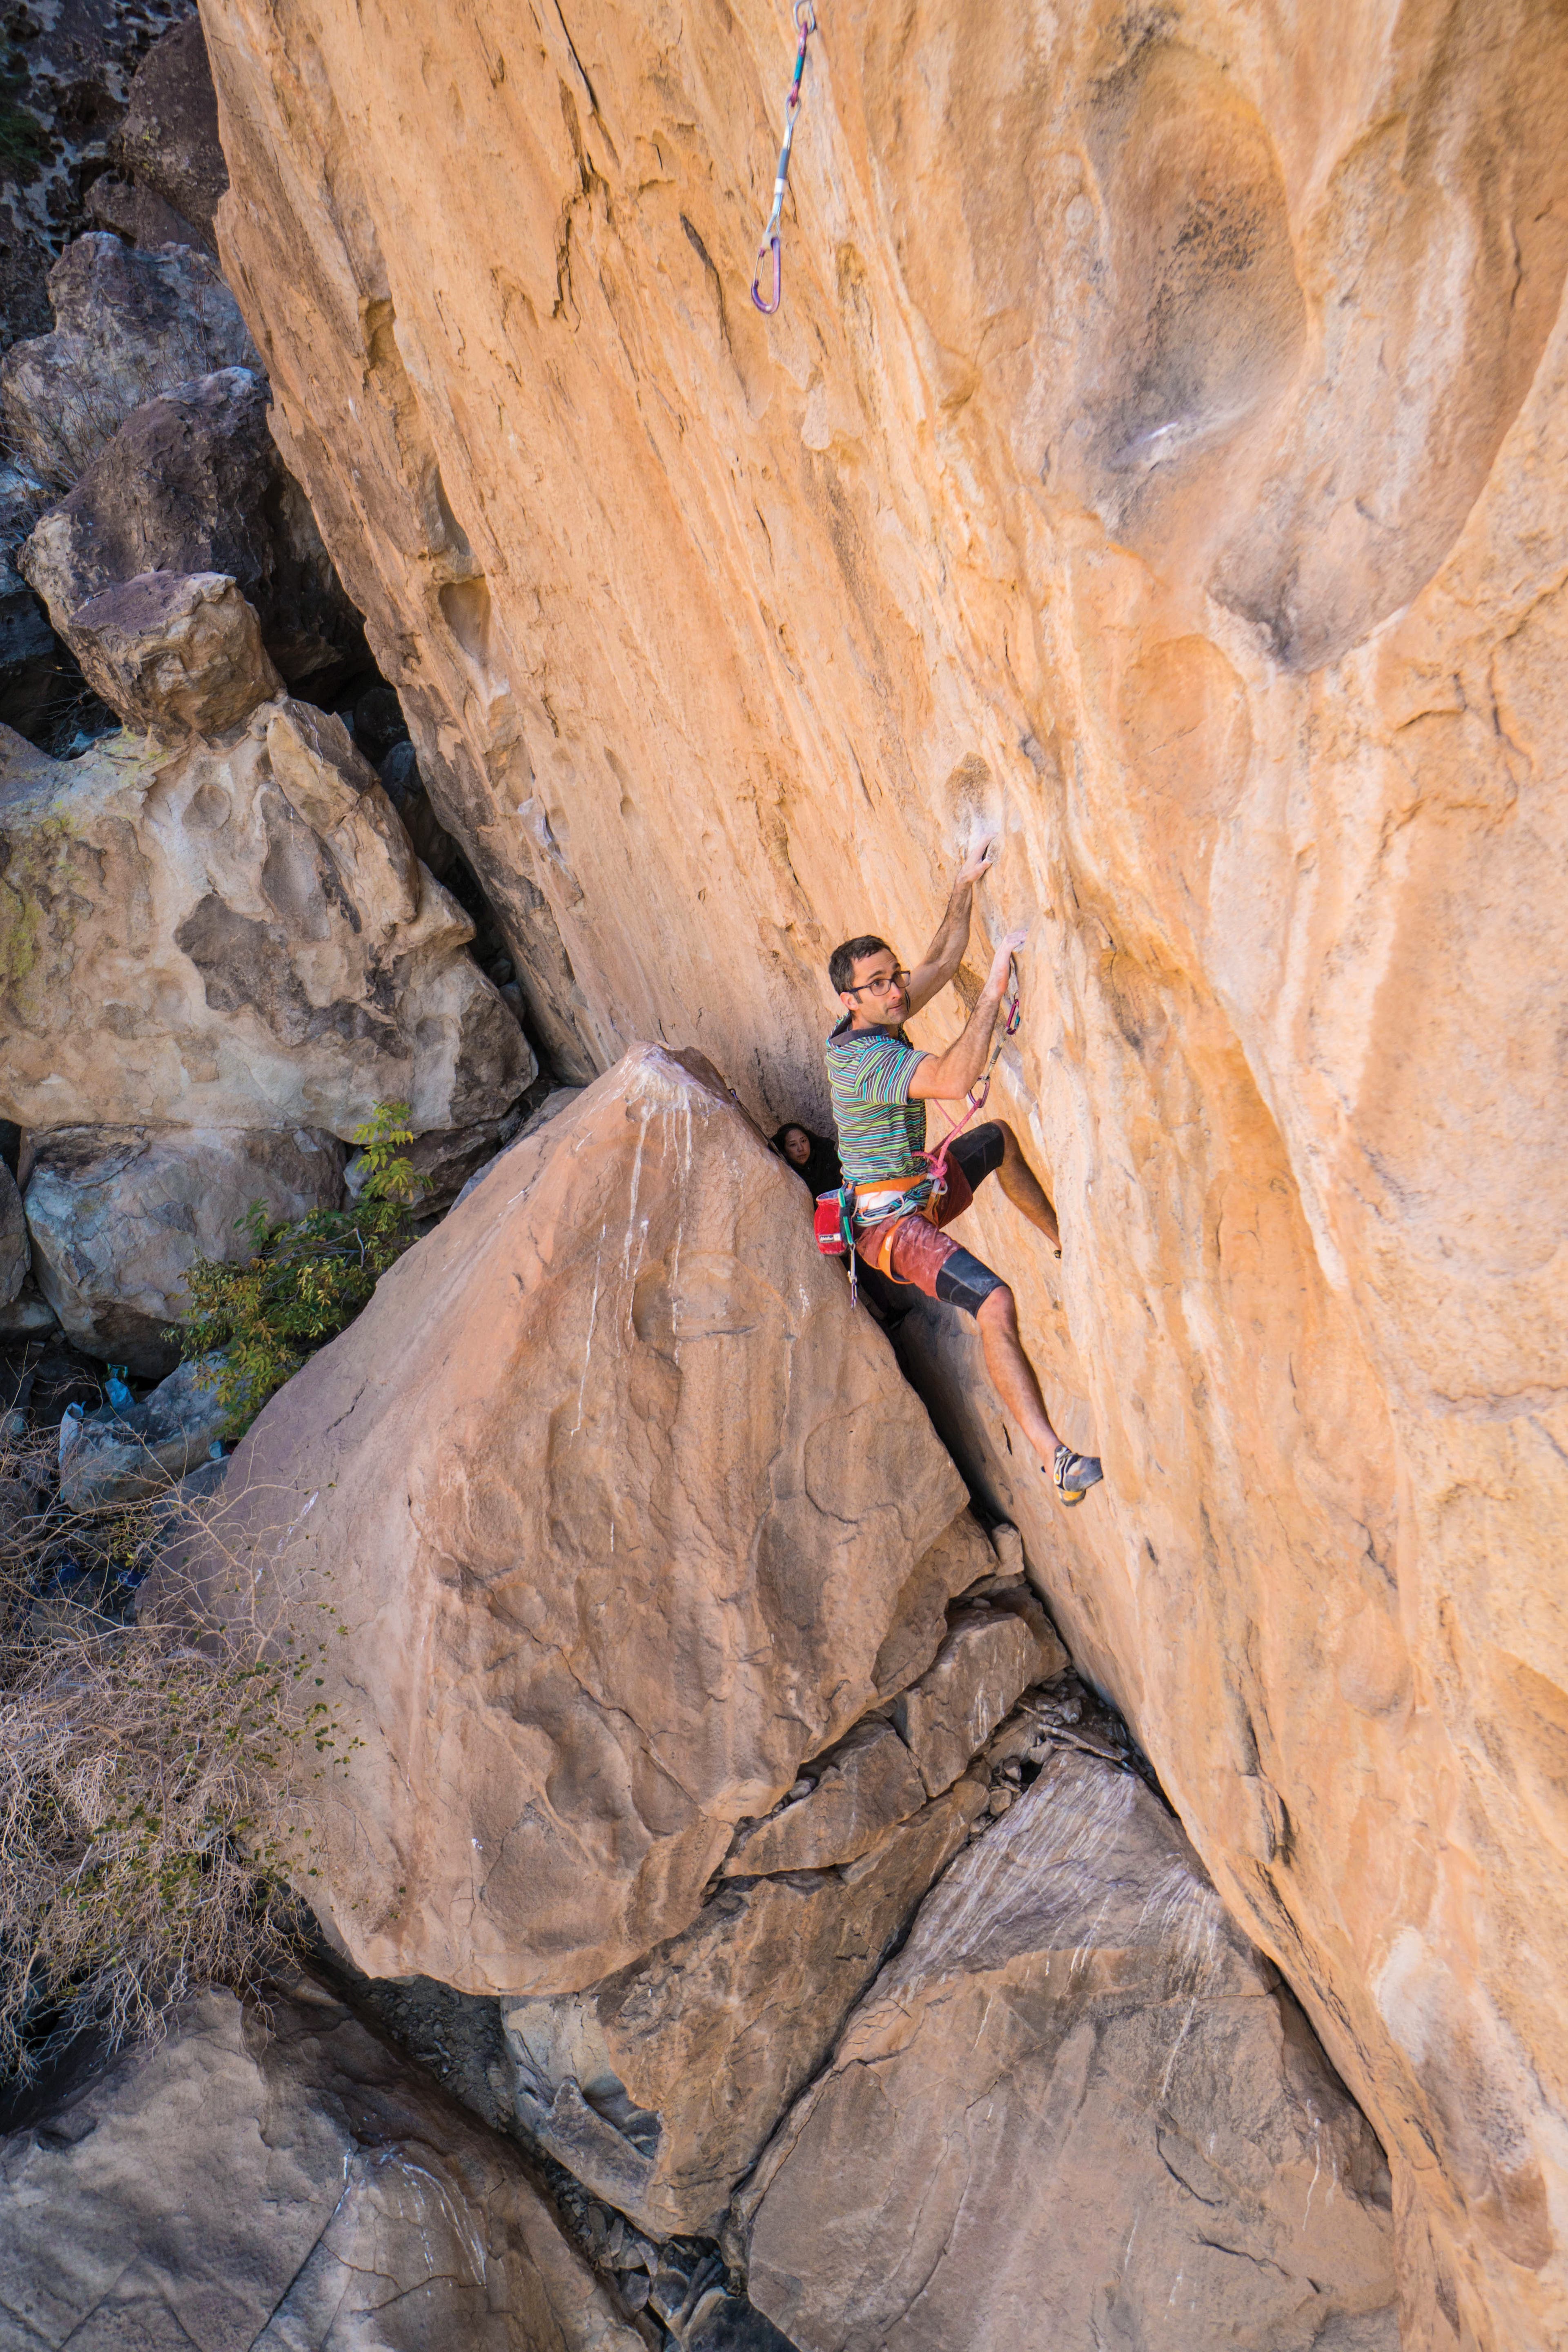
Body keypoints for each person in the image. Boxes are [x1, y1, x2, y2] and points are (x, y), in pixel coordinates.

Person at [824, 840, 1104, 1507]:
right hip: (890, 1229)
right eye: (879, 985)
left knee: (997, 1139)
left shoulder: (879, 1015)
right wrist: (999, 984)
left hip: (919, 1196)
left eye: (893, 977)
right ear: (847, 999)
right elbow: (951, 1077)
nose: (896, 991)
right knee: (996, 1302)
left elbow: (943, 961)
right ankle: (1055, 1458)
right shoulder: (864, 1060)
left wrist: (963, 885)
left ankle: (1065, 1239)